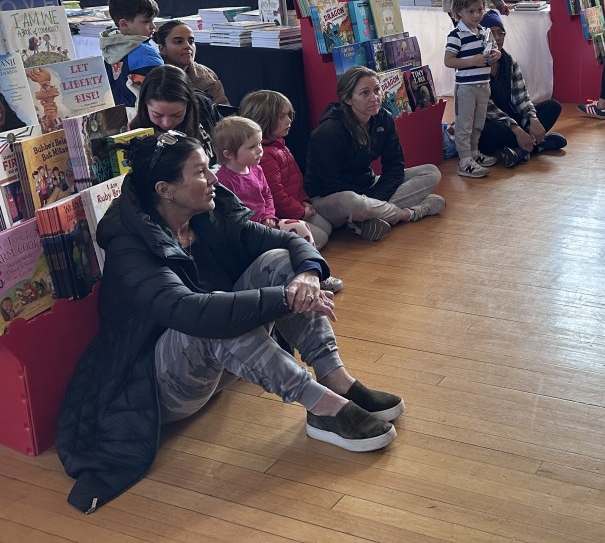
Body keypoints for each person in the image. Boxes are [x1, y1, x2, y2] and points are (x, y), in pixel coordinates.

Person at [56, 132, 404, 513]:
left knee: (279, 263)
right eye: (201, 172)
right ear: (165, 190)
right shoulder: (129, 247)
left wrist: (306, 273)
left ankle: (336, 378)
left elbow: (282, 242)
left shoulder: (208, 214)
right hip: (155, 388)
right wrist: (282, 297)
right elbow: (189, 311)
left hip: (219, 361)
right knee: (214, 315)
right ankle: (321, 407)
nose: (215, 179)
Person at [305, 66, 445, 241]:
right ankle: (408, 213)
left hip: (368, 187)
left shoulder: (384, 119)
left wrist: (373, 200)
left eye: (377, 90)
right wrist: (364, 203)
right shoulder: (328, 132)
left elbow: (395, 166)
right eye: (365, 93)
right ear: (348, 99)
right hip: (331, 198)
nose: (375, 98)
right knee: (352, 201)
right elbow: (329, 185)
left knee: (431, 172)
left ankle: (365, 219)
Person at [212, 115, 342, 292]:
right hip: (245, 233)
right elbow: (227, 215)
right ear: (228, 154)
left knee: (302, 229)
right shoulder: (222, 181)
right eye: (252, 147)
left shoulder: (256, 169)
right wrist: (255, 225)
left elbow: (267, 195)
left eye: (259, 144)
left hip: (266, 223)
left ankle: (316, 275)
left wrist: (269, 215)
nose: (260, 150)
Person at [239, 89, 334, 246]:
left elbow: (295, 181)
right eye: (282, 116)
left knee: (327, 227)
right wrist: (300, 212)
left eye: (289, 115)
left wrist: (303, 201)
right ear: (263, 118)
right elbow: (276, 196)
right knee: (321, 237)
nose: (289, 120)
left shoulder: (279, 144)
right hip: (279, 214)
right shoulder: (264, 156)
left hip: (294, 206)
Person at [477, 9, 566, 168]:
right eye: (492, 33)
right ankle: (538, 145)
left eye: (500, 33)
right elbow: (487, 109)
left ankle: (520, 151)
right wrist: (517, 130)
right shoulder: (475, 63)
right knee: (496, 130)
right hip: (489, 124)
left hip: (512, 119)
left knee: (553, 106)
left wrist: (533, 119)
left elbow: (522, 97)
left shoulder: (508, 61)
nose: (497, 38)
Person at [445, 0, 499, 179]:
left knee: (478, 122)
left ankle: (474, 153)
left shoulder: (484, 31)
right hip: (466, 87)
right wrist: (471, 62)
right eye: (471, 11)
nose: (477, 15)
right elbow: (448, 61)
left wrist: (496, 54)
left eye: (480, 10)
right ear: (459, 12)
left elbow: (493, 51)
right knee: (464, 124)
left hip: (483, 84)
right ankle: (464, 160)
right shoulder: (456, 35)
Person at [131, 64, 221, 157]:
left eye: (176, 115)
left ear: (189, 105)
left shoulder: (202, 105)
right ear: (145, 106)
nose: (167, 123)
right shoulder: (136, 138)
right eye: (157, 115)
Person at [99, 0, 165, 108]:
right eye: (146, 21)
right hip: (144, 115)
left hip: (118, 115)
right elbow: (161, 91)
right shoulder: (145, 53)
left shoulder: (110, 48)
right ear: (124, 24)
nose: (153, 26)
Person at [154, 19, 230, 106]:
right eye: (178, 42)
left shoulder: (207, 76)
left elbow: (225, 113)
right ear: (162, 49)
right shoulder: (153, 76)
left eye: (191, 41)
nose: (187, 46)